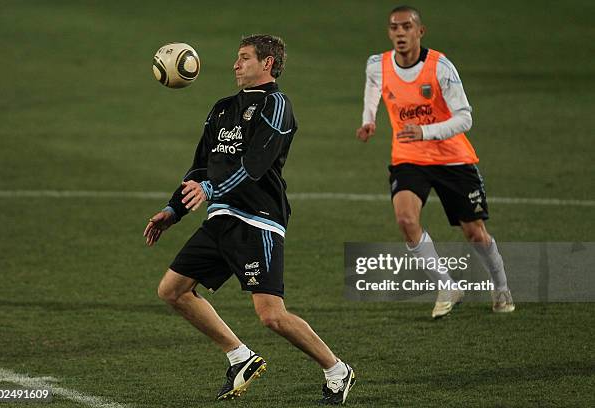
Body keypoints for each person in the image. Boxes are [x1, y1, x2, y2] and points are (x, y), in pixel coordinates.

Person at [144, 34, 355, 404]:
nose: (235, 65)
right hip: (221, 219)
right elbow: (199, 167)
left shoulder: (276, 105)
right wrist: (173, 210)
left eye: (244, 58)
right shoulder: (222, 108)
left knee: (272, 316)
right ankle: (239, 356)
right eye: (237, 58)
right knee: (172, 291)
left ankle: (337, 369)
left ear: (267, 63)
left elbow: (256, 165)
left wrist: (212, 191)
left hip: (258, 220)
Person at [356, 6, 515, 318]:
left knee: (474, 233)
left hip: (452, 159)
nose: (400, 33)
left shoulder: (440, 66)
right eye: (394, 28)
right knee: (405, 220)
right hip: (408, 157)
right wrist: (368, 120)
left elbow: (465, 117)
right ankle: (446, 284)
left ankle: (501, 285)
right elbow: (374, 89)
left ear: (420, 31)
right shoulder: (377, 64)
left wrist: (425, 131)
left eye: (406, 27)